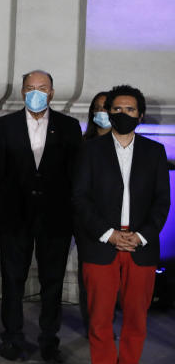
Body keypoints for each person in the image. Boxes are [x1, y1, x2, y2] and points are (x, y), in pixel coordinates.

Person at [73, 85, 170, 364]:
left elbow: (162, 202)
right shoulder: (91, 151)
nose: (123, 114)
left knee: (136, 317)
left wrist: (140, 236)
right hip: (102, 244)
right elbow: (80, 199)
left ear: (140, 115)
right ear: (107, 112)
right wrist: (109, 234)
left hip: (140, 246)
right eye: (117, 109)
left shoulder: (154, 152)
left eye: (130, 110)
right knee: (99, 316)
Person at [0, 70, 82, 363]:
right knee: (12, 279)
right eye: (30, 88)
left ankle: (49, 340)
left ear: (52, 92)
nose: (36, 93)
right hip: (15, 216)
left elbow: (76, 171)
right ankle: (12, 337)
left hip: (56, 219)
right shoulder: (5, 125)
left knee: (52, 281)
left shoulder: (69, 126)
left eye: (42, 88)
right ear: (22, 92)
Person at [78, 90, 111, 333]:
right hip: (88, 220)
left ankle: (105, 322)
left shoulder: (125, 143)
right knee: (89, 275)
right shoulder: (83, 145)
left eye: (106, 108)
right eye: (97, 108)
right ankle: (92, 323)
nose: (102, 112)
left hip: (116, 220)